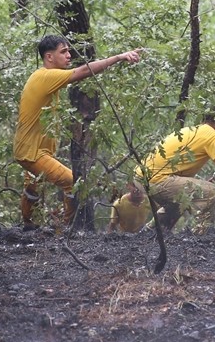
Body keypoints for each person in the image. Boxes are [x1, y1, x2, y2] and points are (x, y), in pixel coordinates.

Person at [14, 35, 141, 229]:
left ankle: (29, 226)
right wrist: (119, 57)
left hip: (34, 151)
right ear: (49, 57)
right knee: (71, 182)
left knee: (32, 187)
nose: (69, 55)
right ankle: (67, 231)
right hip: (32, 153)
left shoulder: (46, 78)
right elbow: (83, 71)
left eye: (68, 51)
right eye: (63, 52)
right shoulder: (45, 76)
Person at [111, 114, 215, 234]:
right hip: (158, 180)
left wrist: (212, 180)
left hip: (141, 177)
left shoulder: (191, 131)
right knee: (213, 192)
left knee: (180, 201)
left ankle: (148, 234)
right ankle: (202, 238)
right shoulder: (212, 134)